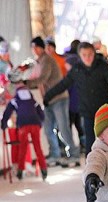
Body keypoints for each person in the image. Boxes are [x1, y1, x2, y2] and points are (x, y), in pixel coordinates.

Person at [44, 41, 108, 155]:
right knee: (90, 141)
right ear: (80, 55)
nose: (87, 57)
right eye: (84, 55)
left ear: (94, 53)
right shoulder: (77, 70)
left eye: (90, 54)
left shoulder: (102, 66)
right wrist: (48, 96)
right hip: (87, 111)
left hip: (104, 111)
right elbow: (63, 84)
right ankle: (91, 167)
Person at [26, 36, 80, 167]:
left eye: (36, 47)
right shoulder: (37, 61)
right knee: (48, 128)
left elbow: (42, 78)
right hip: (47, 100)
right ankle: (55, 154)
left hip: (59, 98)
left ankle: (73, 154)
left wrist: (25, 83)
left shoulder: (47, 60)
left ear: (40, 47)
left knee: (63, 127)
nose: (34, 50)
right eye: (32, 47)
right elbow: (36, 78)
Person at [1, 70, 47, 180]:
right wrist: (40, 121)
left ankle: (20, 172)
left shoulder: (16, 99)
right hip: (35, 123)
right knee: (38, 148)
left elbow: (7, 112)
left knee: (23, 148)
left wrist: (3, 125)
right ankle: (44, 170)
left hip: (23, 125)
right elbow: (40, 110)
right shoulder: (31, 97)